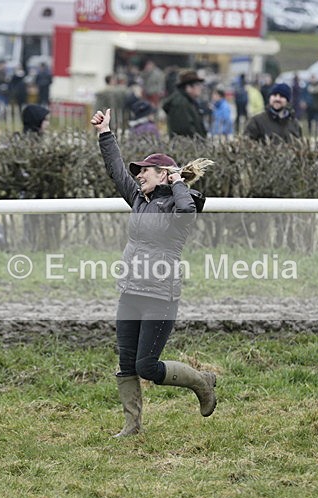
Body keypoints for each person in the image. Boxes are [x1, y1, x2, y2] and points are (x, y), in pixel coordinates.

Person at [90, 107, 217, 438]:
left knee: (147, 366)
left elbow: (186, 209)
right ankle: (132, 426)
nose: (139, 175)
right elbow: (116, 170)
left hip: (160, 296)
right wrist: (105, 134)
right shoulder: (139, 200)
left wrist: (178, 182)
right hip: (130, 293)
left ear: (163, 175)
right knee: (126, 363)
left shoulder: (180, 203)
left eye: (145, 170)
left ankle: (201, 382)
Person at [161, 69, 207, 138]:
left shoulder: (189, 102)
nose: (200, 87)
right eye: (197, 84)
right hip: (187, 144)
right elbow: (184, 130)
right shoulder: (180, 103)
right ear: (188, 87)